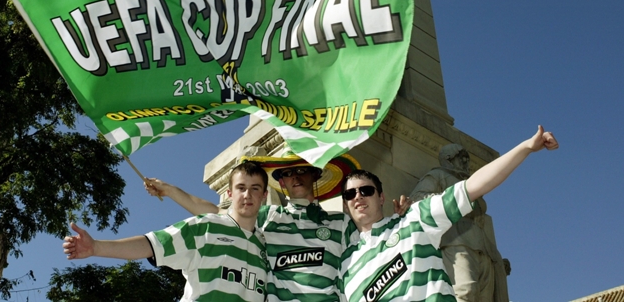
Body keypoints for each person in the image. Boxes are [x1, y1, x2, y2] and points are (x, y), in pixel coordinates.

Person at [146, 151, 409, 302]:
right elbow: (216, 213)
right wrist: (170, 190)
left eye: (302, 170)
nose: (295, 176)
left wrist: (398, 221)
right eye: (287, 173)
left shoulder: (340, 223)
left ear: (315, 175)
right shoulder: (267, 216)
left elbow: (372, 245)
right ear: (281, 183)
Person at [339, 125, 558, 302]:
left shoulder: (414, 221)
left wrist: (526, 147)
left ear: (381, 197)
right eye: (350, 194)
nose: (357, 197)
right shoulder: (345, 267)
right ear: (346, 203)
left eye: (365, 190)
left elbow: (473, 187)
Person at [62, 162, 270, 302]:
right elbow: (151, 244)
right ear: (230, 193)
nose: (247, 195)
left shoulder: (266, 246)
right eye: (241, 187)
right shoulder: (205, 227)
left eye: (255, 188)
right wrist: (97, 246)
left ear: (264, 195)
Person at [409, 143, 509, 302]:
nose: (466, 163)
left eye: (467, 159)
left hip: (482, 245)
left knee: (485, 298)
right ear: (449, 160)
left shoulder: (469, 182)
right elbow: (417, 199)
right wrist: (447, 202)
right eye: (462, 158)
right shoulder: (438, 175)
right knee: (465, 292)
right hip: (455, 239)